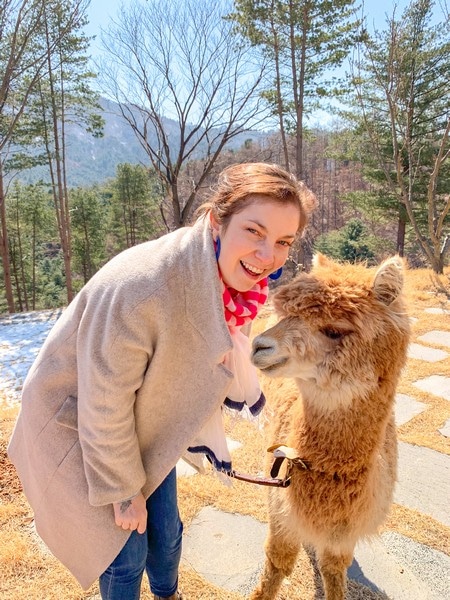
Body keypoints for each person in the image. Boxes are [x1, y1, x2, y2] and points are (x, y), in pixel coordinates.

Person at [8, 162, 316, 600]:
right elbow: (103, 401)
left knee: (167, 531)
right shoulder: (145, 288)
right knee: (123, 550)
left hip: (143, 418)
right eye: (254, 231)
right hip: (79, 423)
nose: (269, 256)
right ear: (216, 220)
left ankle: (168, 593)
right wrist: (123, 489)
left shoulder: (238, 287)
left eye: (283, 241)